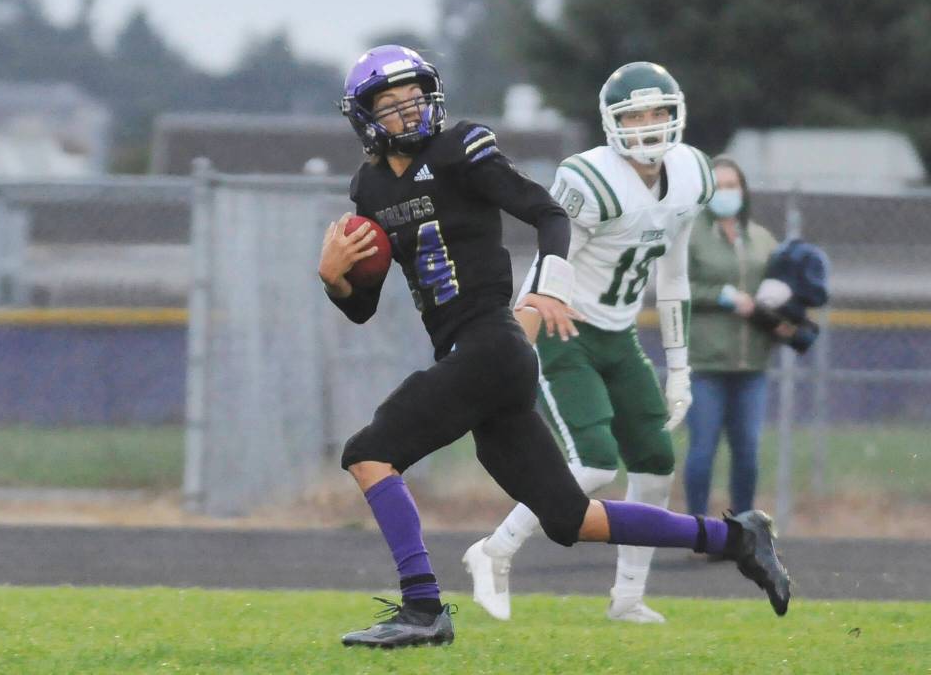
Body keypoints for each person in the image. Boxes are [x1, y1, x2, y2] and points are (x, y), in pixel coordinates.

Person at [321, 46, 790, 649]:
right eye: (390, 103)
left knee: (369, 452)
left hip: (492, 343)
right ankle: (737, 538)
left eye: (415, 96)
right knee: (574, 520)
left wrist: (548, 286)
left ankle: (422, 608)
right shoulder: (369, 187)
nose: (409, 111)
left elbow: (547, 214)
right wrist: (334, 278)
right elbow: (362, 307)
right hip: (474, 361)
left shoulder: (461, 147)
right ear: (364, 117)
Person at [464, 61, 714, 624]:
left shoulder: (694, 174)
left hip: (619, 333)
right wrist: (516, 340)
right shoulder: (589, 179)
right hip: (563, 327)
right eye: (636, 115)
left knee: (655, 463)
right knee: (596, 462)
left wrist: (680, 367)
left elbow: (674, 277)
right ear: (612, 123)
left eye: (658, 113)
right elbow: (552, 261)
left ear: (676, 114)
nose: (649, 125)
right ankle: (494, 550)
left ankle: (628, 596)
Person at [682, 156, 780, 523]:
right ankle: (696, 527)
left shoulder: (762, 239)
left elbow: (780, 286)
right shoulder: (691, 236)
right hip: (707, 364)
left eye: (732, 185)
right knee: (702, 452)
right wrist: (721, 295)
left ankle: (743, 531)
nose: (726, 193)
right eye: (718, 186)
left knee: (747, 454)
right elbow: (677, 287)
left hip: (751, 365)